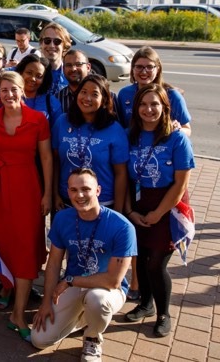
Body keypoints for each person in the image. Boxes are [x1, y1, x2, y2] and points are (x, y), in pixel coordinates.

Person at [0, 71, 53, 341]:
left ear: (23, 90)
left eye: (14, 89)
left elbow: (45, 159)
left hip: (27, 188)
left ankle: (17, 313)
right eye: (4, 89)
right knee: (0, 238)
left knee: (25, 246)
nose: (9, 94)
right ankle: (7, 287)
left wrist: (48, 194)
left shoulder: (37, 120)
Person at [31, 168, 136, 361]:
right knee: (39, 339)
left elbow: (113, 281)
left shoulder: (122, 227)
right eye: (73, 190)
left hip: (106, 290)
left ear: (98, 190)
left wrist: (70, 281)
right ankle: (82, 317)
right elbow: (54, 263)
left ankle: (93, 338)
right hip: (73, 285)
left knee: (97, 300)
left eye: (86, 189)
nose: (79, 195)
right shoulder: (63, 218)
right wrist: (46, 302)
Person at [122, 84, 194, 337]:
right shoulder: (130, 135)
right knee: (140, 259)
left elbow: (181, 183)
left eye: (155, 104)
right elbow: (126, 178)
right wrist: (130, 210)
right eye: (143, 104)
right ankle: (145, 304)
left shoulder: (176, 138)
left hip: (168, 205)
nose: (148, 109)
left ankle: (164, 313)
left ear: (165, 107)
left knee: (156, 264)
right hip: (139, 203)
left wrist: (159, 213)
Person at [52, 74, 128, 214]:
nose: (87, 98)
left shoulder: (114, 129)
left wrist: (118, 210)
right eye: (83, 92)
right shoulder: (62, 122)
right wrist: (55, 194)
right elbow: (56, 161)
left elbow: (121, 173)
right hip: (66, 200)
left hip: (102, 203)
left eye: (94, 94)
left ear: (104, 100)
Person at [117, 46, 191, 136]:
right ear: (132, 68)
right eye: (139, 67)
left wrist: (176, 129)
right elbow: (121, 127)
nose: (144, 72)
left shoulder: (173, 96)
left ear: (158, 69)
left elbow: (187, 129)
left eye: (149, 67)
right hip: (134, 148)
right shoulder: (124, 94)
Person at [16, 54, 62, 128]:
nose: (33, 78)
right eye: (29, 73)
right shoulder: (9, 97)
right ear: (21, 72)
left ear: (44, 80)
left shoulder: (51, 102)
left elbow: (56, 133)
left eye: (39, 76)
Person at [39, 23, 70, 96]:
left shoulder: (70, 74)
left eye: (57, 41)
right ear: (41, 44)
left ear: (64, 45)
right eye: (47, 40)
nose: (51, 45)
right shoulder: (31, 72)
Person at [57, 49, 91, 113]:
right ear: (63, 69)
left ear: (88, 67)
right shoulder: (57, 99)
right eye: (69, 65)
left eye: (78, 64)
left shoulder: (105, 96)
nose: (73, 69)